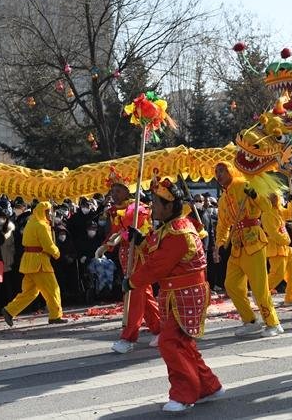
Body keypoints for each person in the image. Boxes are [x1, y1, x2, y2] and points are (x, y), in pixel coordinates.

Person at [125, 177, 223, 413]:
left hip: (184, 295)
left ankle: (183, 394)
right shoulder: (173, 227)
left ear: (169, 206)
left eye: (156, 204)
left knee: (170, 343)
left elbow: (157, 265)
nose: (153, 208)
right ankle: (208, 386)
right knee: (182, 343)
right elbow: (155, 247)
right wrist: (140, 241)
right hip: (176, 294)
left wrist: (131, 282)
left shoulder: (178, 232)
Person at [214, 162, 282, 337]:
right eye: (216, 171)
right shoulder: (222, 199)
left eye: (222, 170)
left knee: (259, 288)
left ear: (230, 171)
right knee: (231, 285)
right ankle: (250, 320)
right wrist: (220, 245)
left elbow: (266, 207)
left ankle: (273, 322)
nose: (219, 174)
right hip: (236, 247)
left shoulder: (244, 186)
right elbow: (222, 226)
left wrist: (255, 195)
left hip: (254, 244)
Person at [106, 170, 160, 354]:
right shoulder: (115, 211)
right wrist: (107, 245)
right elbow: (114, 234)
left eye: (118, 190)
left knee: (134, 296)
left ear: (127, 191)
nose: (114, 194)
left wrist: (121, 235)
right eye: (112, 190)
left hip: (138, 258)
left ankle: (128, 337)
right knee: (144, 297)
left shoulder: (138, 209)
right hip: (125, 258)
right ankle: (161, 330)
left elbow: (137, 234)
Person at [2, 202, 68, 326]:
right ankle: (55, 315)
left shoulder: (30, 223)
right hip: (40, 263)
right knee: (53, 290)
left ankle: (9, 310)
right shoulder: (41, 225)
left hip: (29, 262)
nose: (49, 214)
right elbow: (47, 245)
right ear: (41, 212)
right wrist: (57, 252)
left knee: (30, 292)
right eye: (47, 211)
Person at [263, 192, 292, 305]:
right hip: (276, 249)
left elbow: (290, 214)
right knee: (277, 274)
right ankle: (261, 294)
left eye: (276, 196)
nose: (275, 198)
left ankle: (291, 298)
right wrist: (289, 242)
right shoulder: (267, 214)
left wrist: (291, 202)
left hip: (287, 248)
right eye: (272, 196)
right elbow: (273, 234)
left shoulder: (279, 210)